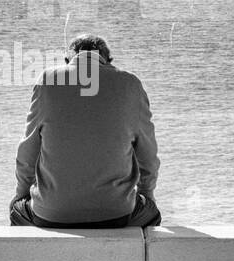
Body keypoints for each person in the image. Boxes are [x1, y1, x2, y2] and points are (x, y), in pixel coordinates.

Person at [11, 34, 161, 228]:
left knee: (17, 212)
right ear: (108, 61)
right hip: (117, 213)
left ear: (68, 61)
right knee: (151, 215)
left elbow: (27, 151)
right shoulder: (131, 83)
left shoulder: (48, 80)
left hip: (51, 214)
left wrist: (22, 194)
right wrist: (146, 195)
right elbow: (148, 157)